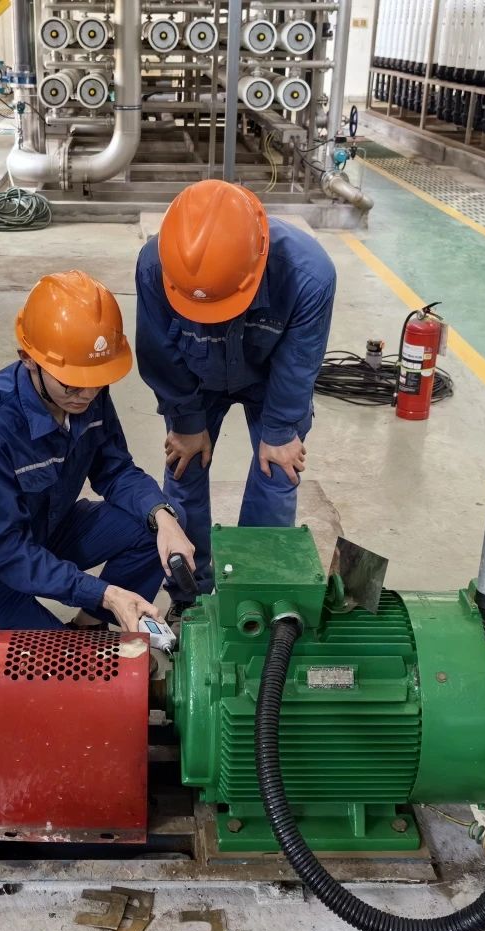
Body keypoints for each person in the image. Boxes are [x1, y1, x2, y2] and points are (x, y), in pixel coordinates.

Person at [0, 270, 195, 653]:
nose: (87, 395)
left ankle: (88, 628)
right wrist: (106, 593)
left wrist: (163, 517)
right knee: (67, 670)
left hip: (43, 532)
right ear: (28, 359)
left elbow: (115, 470)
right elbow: (7, 551)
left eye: (97, 381)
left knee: (157, 526)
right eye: (73, 383)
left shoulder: (86, 390)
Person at [135, 180, 336, 614]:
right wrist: (186, 421)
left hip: (271, 378)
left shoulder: (308, 274)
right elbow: (158, 351)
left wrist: (280, 429)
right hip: (196, 376)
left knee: (277, 471)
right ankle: (189, 598)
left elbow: (300, 360)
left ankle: (251, 599)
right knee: (184, 465)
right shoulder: (156, 265)